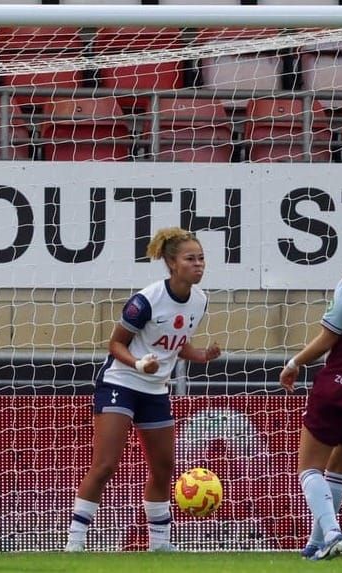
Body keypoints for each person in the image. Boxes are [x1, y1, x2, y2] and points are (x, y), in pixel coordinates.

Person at [66, 227, 221, 552]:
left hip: (155, 390)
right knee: (105, 465)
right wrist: (138, 364)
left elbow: (176, 343)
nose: (198, 264)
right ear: (171, 263)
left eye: (201, 258)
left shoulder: (200, 300)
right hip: (121, 383)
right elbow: (115, 344)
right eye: (190, 259)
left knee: (164, 468)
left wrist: (201, 355)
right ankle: (75, 543)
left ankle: (159, 544)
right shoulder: (146, 301)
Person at [279, 217, 342, 561]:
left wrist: (294, 363)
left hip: (336, 388)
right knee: (338, 469)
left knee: (309, 468)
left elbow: (328, 338)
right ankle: (316, 544)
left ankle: (334, 533)